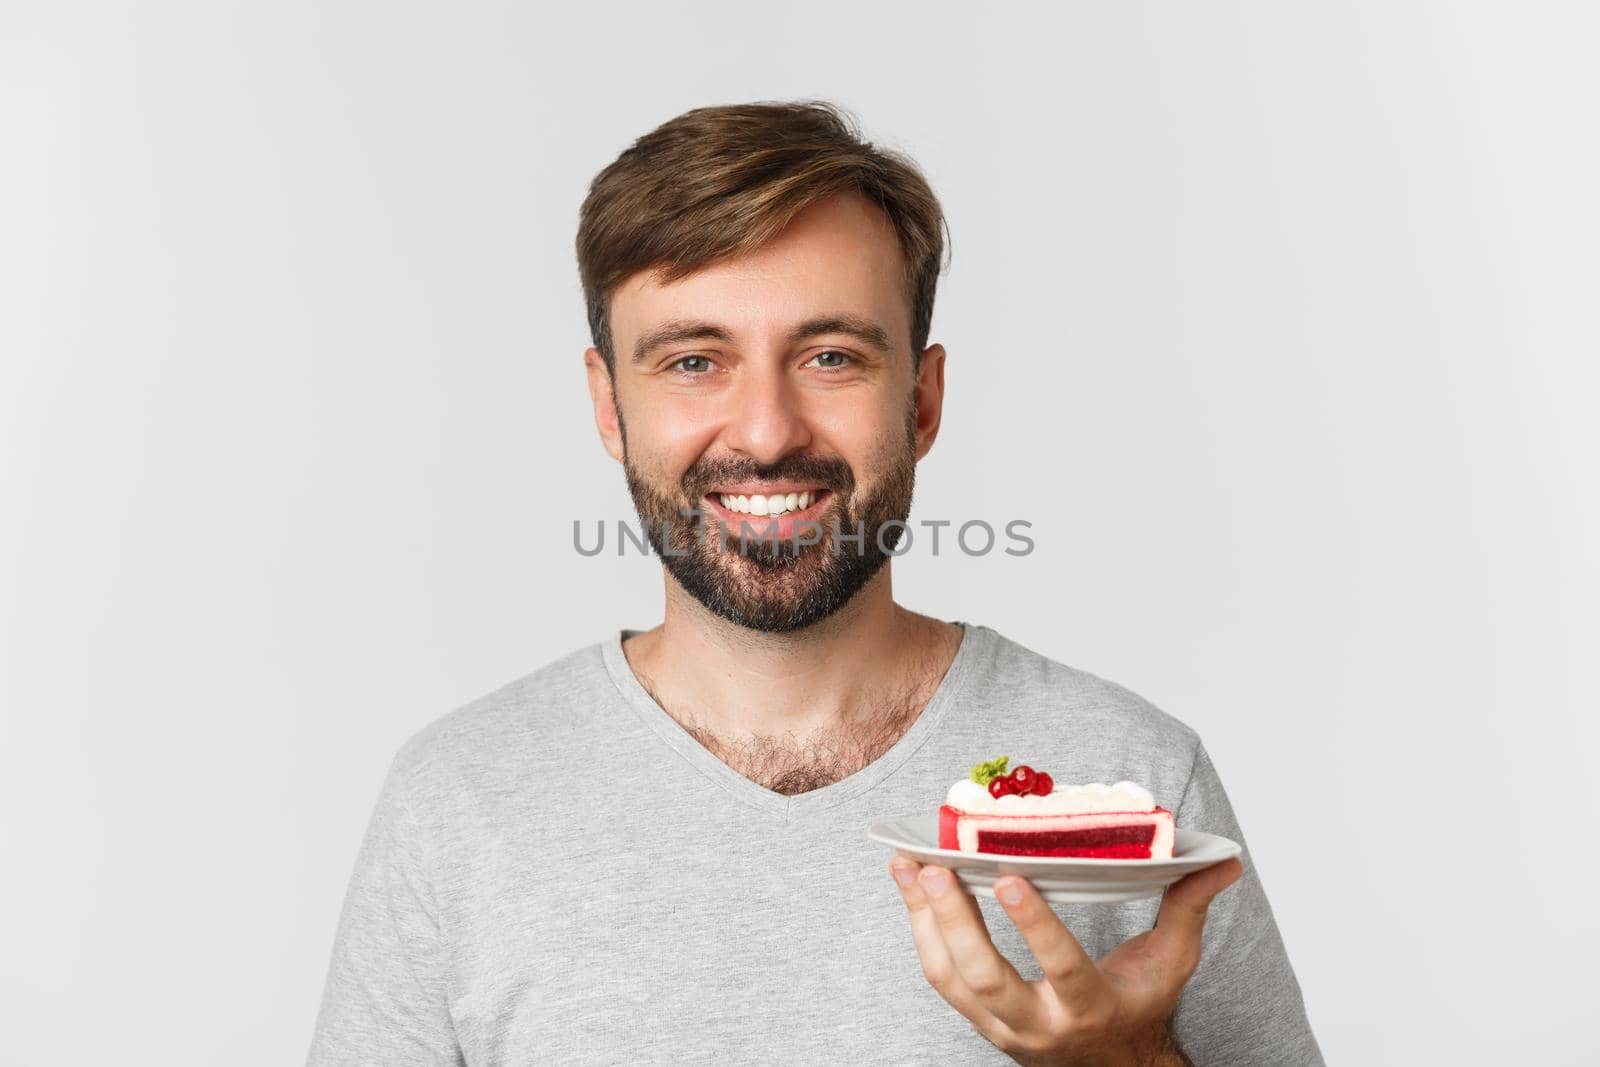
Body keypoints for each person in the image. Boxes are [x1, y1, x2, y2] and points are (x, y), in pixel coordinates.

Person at [307, 100, 1323, 1065]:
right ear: (609, 405)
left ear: (920, 401)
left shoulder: (1134, 771)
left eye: (830, 355)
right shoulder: (457, 797)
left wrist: (1122, 1059)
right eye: (694, 360)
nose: (764, 430)